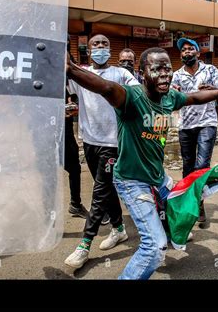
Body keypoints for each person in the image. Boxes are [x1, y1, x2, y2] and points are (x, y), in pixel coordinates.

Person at [66, 46, 218, 279]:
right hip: (133, 182)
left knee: (184, 205)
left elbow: (194, 97)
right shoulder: (131, 97)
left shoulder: (169, 97)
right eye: (157, 69)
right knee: (154, 248)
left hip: (158, 178)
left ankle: (171, 230)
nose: (164, 74)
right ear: (142, 73)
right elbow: (105, 87)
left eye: (168, 68)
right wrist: (71, 70)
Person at [64, 34, 140, 270]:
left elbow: (137, 96)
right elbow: (64, 80)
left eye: (105, 44)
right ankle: (118, 229)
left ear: (110, 49)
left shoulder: (121, 73)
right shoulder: (81, 73)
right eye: (96, 44)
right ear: (89, 49)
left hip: (113, 142)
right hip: (89, 140)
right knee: (105, 189)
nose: (100, 48)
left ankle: (84, 244)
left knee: (100, 191)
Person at [171, 38, 218, 224]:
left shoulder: (211, 70)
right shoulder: (177, 75)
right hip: (185, 125)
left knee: (201, 165)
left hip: (207, 123)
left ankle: (199, 203)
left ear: (198, 53)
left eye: (190, 49)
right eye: (183, 50)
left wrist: (213, 89)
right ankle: (191, 203)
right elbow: (169, 98)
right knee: (188, 166)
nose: (187, 52)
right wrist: (174, 93)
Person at [65, 51, 88, 218]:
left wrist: (71, 105)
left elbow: (75, 95)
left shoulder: (69, 72)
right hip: (44, 132)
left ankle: (75, 204)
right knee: (47, 171)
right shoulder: (41, 72)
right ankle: (45, 213)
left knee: (74, 167)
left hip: (65, 131)